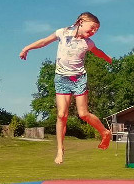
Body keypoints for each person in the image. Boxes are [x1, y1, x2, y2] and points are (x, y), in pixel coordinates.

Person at [19, 12, 113, 165]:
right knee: (61, 115)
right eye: (92, 28)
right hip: (61, 78)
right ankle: (60, 150)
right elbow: (44, 42)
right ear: (81, 22)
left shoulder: (88, 43)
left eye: (97, 30)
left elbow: (98, 52)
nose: (94, 32)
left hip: (78, 78)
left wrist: (107, 58)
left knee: (83, 114)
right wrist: (27, 48)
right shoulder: (62, 33)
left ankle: (104, 132)